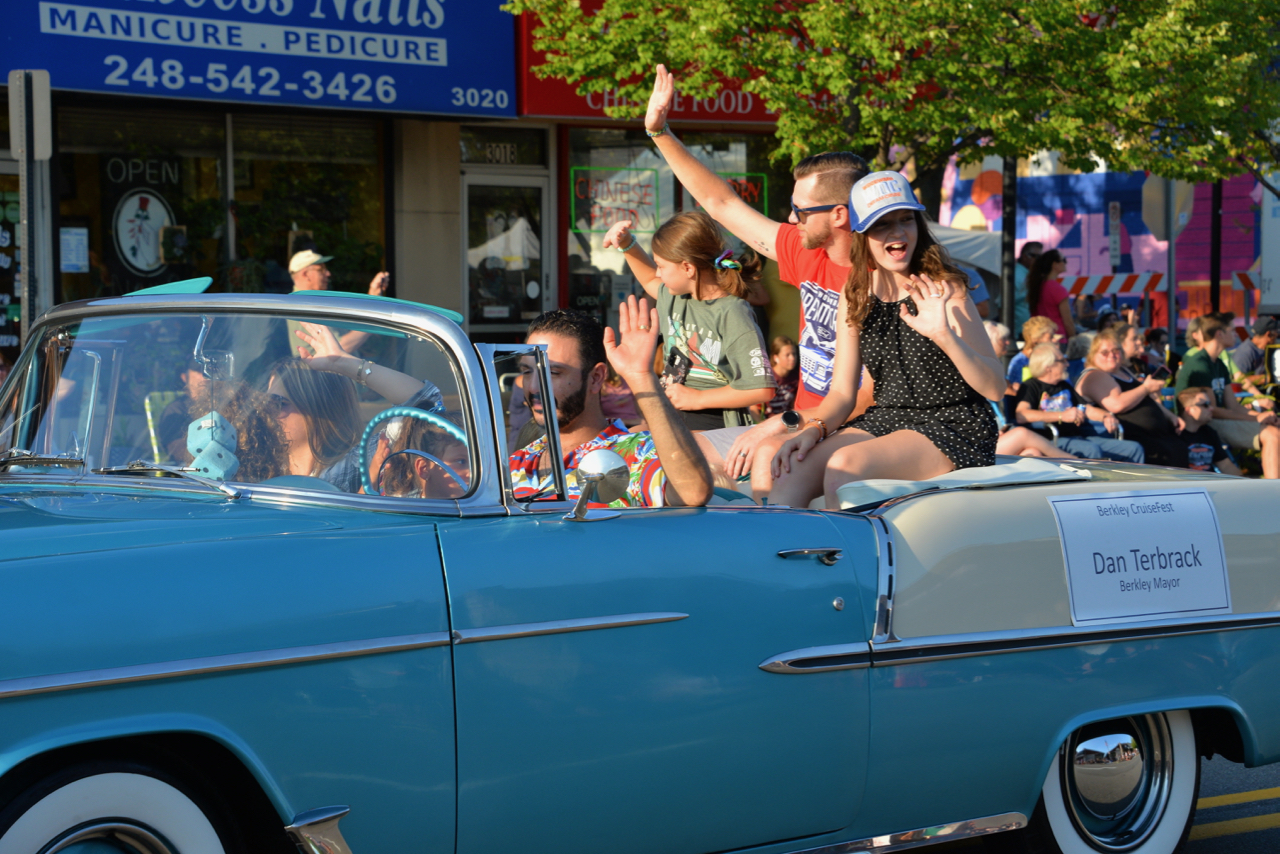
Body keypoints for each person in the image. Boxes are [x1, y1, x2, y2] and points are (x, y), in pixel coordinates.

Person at [642, 64, 869, 497]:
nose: (791, 219)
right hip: (799, 420)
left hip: (845, 427)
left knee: (768, 460)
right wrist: (659, 132)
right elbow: (720, 203)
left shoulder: (878, 279)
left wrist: (779, 423)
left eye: (801, 211)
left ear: (839, 215)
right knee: (678, 458)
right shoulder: (806, 249)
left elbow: (863, 396)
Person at [768, 171, 1004, 509]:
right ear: (861, 234)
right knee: (791, 469)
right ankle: (787, 545)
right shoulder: (855, 293)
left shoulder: (945, 289)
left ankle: (848, 545)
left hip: (954, 424)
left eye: (906, 219)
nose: (897, 232)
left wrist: (944, 335)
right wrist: (813, 429)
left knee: (844, 468)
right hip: (888, 418)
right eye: (882, 224)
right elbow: (842, 393)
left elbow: (995, 387)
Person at [509, 299, 712, 508]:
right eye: (527, 371)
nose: (533, 386)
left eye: (553, 372)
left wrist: (641, 376)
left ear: (596, 378)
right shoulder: (518, 462)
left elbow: (693, 493)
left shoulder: (632, 453)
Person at [603, 210, 775, 435]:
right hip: (673, 413)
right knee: (627, 440)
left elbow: (761, 389)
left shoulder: (733, 313)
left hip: (715, 423)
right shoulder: (675, 296)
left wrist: (698, 398)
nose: (658, 273)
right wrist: (626, 243)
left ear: (687, 268)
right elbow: (648, 278)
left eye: (661, 266)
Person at [268, 322, 446, 492]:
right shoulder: (259, 465)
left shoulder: (355, 464)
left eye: (277, 403)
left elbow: (425, 404)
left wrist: (343, 362)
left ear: (316, 407)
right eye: (265, 402)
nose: (266, 412)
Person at [1175, 314, 1280, 478]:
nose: (1236, 334)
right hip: (1202, 423)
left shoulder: (1218, 363)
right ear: (1219, 334)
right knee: (1272, 435)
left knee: (1274, 427)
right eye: (1232, 330)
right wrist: (1257, 418)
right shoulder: (1200, 364)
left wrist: (1261, 416)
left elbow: (1233, 405)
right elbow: (1212, 410)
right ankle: (1273, 490)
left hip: (1213, 419)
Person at [1075, 328, 1186, 467]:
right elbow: (1116, 404)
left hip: (1157, 436)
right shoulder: (1094, 375)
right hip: (1132, 438)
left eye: (1116, 350)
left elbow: (1145, 399)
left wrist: (1170, 416)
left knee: (1181, 447)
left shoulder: (1123, 370)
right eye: (1104, 352)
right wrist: (1145, 388)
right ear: (1093, 355)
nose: (1112, 355)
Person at [1016, 343, 1144, 463]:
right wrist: (1061, 416)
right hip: (1052, 439)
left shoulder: (1064, 385)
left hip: (1079, 436)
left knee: (1133, 449)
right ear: (1048, 366)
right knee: (1091, 450)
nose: (1067, 364)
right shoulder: (1031, 386)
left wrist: (1105, 416)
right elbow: (1022, 415)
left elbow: (1084, 408)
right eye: (1063, 361)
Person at [289, 249, 390, 352]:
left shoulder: (310, 302)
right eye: (321, 270)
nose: (328, 273)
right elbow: (338, 348)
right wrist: (371, 322)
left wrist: (372, 296)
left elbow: (348, 334)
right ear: (305, 274)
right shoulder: (302, 306)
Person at [375, 417, 472, 498]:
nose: (475, 472)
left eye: (477, 461)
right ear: (424, 468)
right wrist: (374, 470)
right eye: (461, 461)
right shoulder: (402, 507)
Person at [1176, 387, 1243, 475]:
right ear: (1189, 410)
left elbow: (1225, 465)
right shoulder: (1173, 435)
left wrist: (1245, 482)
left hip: (1208, 481)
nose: (1211, 408)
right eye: (1205, 405)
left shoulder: (1208, 433)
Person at [1025, 249, 1076, 339]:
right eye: (1063, 260)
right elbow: (1068, 322)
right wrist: (1074, 339)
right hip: (1057, 337)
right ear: (1054, 264)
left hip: (1039, 336)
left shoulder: (1037, 286)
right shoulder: (1058, 289)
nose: (1065, 263)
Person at [1006, 316, 1058, 394]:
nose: (1055, 340)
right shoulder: (1019, 361)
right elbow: (1015, 392)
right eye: (1050, 337)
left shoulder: (1053, 358)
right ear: (1035, 339)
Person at [1231, 316, 1277, 388]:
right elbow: (1238, 379)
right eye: (1277, 332)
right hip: (1250, 393)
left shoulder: (1270, 349)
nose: (1277, 335)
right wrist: (1268, 378)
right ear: (1268, 334)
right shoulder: (1244, 352)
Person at [1010, 241, 1043, 335]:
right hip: (1018, 332)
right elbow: (1002, 304)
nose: (1038, 260)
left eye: (1040, 257)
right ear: (1024, 256)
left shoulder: (1028, 274)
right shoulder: (1017, 275)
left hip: (1027, 330)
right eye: (1034, 256)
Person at [762, 335, 799, 417]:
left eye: (794, 354)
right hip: (767, 421)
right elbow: (754, 408)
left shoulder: (796, 377)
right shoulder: (766, 377)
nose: (792, 358)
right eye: (787, 355)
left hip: (787, 420)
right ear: (776, 358)